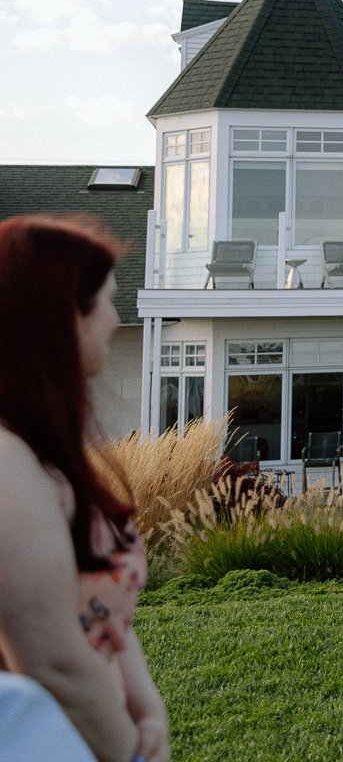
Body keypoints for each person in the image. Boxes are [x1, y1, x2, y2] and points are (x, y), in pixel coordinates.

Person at [0, 216, 169, 762]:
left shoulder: (44, 450)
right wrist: (131, 754)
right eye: (105, 303)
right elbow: (51, 661)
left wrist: (147, 708)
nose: (117, 319)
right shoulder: (6, 462)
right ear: (59, 319)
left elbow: (100, 613)